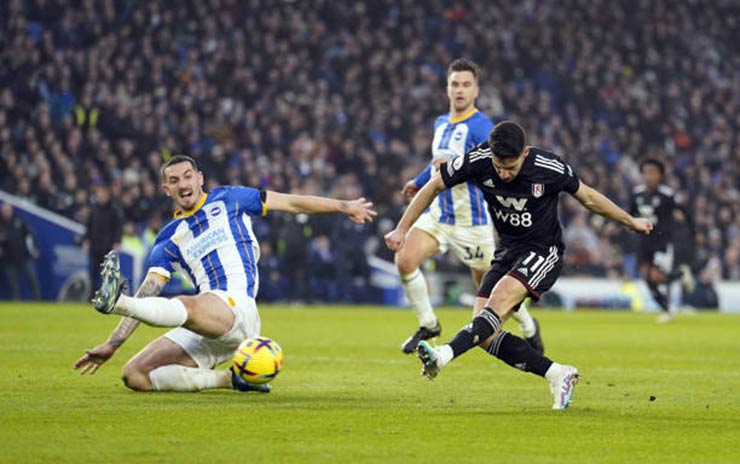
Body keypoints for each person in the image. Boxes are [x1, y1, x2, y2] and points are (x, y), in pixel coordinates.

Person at [385, 121, 653, 409]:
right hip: (507, 251)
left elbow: (588, 197)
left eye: (510, 168)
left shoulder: (549, 167)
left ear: (525, 153)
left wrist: (631, 221)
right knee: (486, 336)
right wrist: (402, 229)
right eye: (499, 166)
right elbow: (435, 184)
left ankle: (443, 355)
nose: (503, 173)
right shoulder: (479, 159)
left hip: (543, 251)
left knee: (496, 303)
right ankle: (557, 373)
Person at [74, 155, 376, 393]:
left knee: (190, 303)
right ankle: (232, 380)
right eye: (174, 180)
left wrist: (344, 206)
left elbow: (292, 202)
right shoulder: (168, 238)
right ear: (166, 189)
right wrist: (113, 344)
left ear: (200, 178)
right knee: (136, 375)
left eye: (188, 176)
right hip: (206, 325)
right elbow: (149, 290)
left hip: (237, 309)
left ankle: (116, 302)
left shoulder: (230, 199)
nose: (183, 184)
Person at [395, 58, 542, 355]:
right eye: (454, 84)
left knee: (493, 291)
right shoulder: (440, 123)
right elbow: (437, 161)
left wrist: (457, 169)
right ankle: (429, 323)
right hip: (439, 215)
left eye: (466, 84)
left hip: (471, 222)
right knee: (405, 259)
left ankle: (528, 325)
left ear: (476, 90)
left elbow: (494, 173)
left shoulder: (483, 127)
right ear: (446, 88)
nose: (459, 90)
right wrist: (420, 180)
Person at [629, 159, 694, 323]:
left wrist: (694, 232)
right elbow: (629, 214)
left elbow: (683, 212)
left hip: (662, 241)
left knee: (657, 276)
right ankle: (667, 306)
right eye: (646, 172)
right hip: (644, 241)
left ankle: (677, 276)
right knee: (645, 276)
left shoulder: (666, 194)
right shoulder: (637, 193)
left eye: (652, 172)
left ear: (660, 175)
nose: (648, 176)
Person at [81, 183, 123, 300]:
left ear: (108, 195)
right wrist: (86, 240)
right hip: (95, 246)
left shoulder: (114, 210)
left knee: (108, 274)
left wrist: (117, 242)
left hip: (108, 247)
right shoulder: (93, 209)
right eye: (99, 194)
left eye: (103, 194)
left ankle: (108, 297)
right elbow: (88, 227)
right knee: (93, 273)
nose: (100, 196)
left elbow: (118, 228)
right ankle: (92, 297)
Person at [0, 202, 41, 300]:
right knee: (13, 284)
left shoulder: (19, 220)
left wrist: (34, 248)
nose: (6, 212)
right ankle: (16, 301)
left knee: (32, 280)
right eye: (4, 210)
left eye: (8, 210)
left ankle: (37, 300)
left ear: (11, 210)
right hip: (9, 258)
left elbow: (30, 236)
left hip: (24, 256)